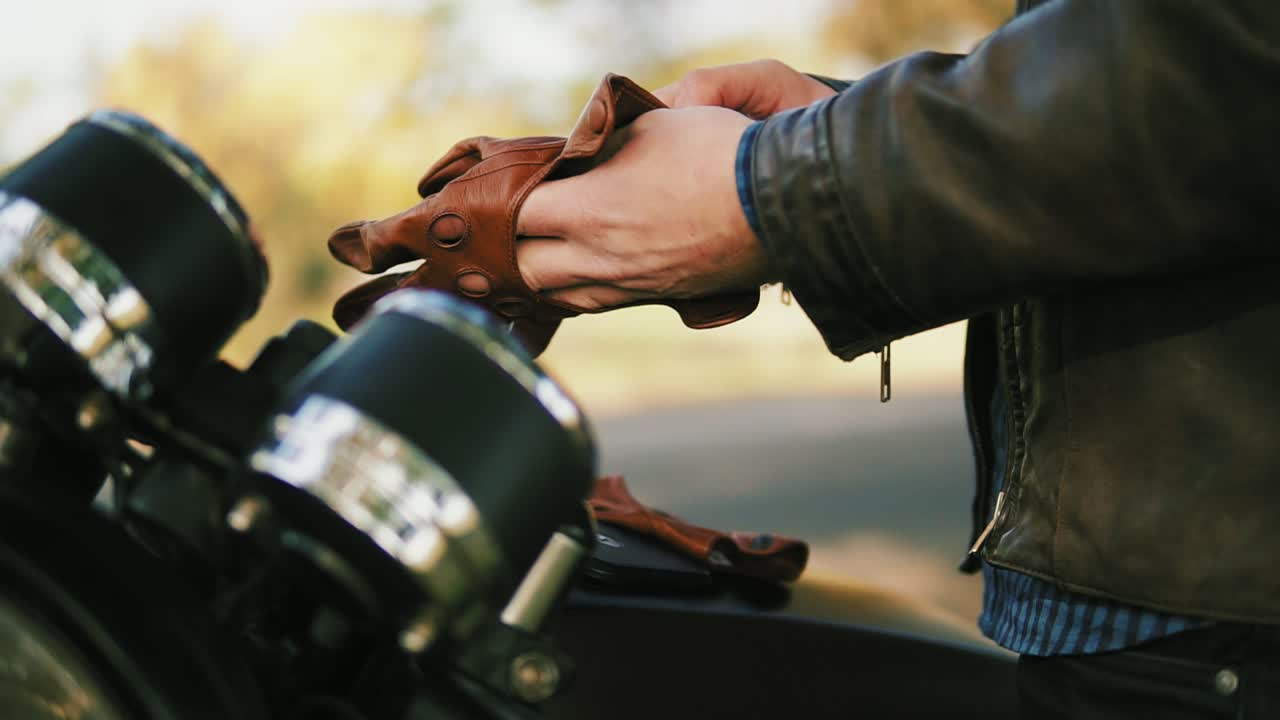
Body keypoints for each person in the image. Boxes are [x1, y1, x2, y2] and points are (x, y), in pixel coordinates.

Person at [512, 1, 1280, 717]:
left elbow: (1222, 60)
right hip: (1142, 608)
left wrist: (782, 180)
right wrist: (827, 127)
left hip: (1220, 626)